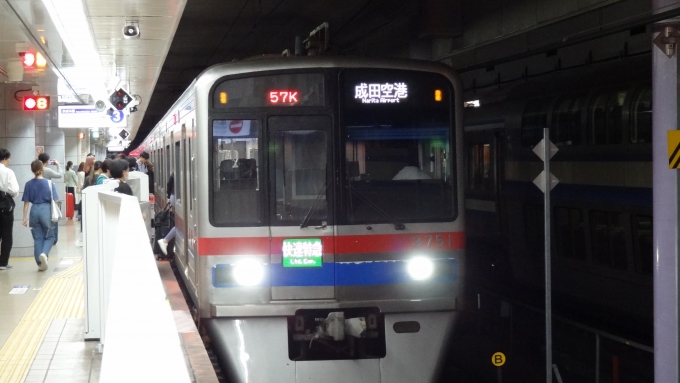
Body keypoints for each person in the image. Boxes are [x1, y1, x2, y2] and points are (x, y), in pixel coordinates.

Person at [22, 160, 59, 271]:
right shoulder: (49, 183)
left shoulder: (28, 184)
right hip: (46, 210)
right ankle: (44, 253)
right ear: (43, 169)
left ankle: (40, 263)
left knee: (38, 238)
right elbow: (55, 200)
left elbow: (26, 203)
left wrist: (24, 218)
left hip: (34, 210)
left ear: (32, 170)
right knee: (50, 236)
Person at [0, 149, 19, 270]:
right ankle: (3, 262)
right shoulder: (8, 172)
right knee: (7, 235)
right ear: (5, 158)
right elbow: (15, 190)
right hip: (4, 205)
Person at [157, 173, 175, 256]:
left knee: (179, 224)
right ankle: (165, 240)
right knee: (180, 225)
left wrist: (168, 197)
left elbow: (169, 185)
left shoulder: (174, 173)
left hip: (173, 197)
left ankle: (166, 241)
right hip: (176, 198)